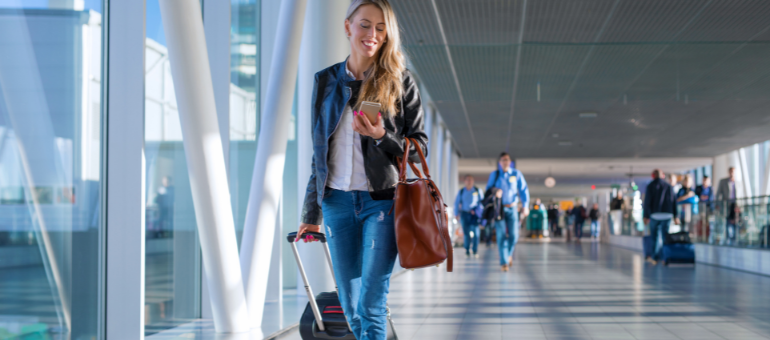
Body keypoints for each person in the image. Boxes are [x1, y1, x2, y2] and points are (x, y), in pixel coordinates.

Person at [295, 2, 428, 338]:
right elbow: (318, 153)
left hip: (381, 204)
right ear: (347, 27)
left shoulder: (401, 82)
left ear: (387, 36)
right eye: (365, 25)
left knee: (370, 303)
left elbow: (420, 150)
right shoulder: (325, 81)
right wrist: (311, 212)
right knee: (352, 306)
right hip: (336, 203)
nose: (372, 34)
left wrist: (382, 135)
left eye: (381, 28)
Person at [486, 152, 530, 272]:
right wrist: (495, 191)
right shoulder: (494, 175)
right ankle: (504, 262)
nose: (505, 162)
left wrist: (525, 206)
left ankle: (508, 254)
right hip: (499, 209)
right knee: (500, 235)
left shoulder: (516, 174)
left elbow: (523, 190)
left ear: (510, 162)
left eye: (507, 160)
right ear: (500, 162)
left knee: (514, 235)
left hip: (513, 208)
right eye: (503, 160)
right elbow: (488, 190)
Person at [643, 169, 679, 265]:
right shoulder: (668, 186)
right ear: (663, 175)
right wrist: (676, 216)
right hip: (667, 215)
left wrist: (646, 216)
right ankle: (665, 258)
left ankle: (654, 258)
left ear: (653, 175)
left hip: (654, 215)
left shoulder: (650, 186)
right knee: (665, 237)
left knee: (654, 237)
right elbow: (674, 201)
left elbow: (647, 202)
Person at [454, 175, 483, 258]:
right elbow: (456, 203)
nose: (469, 181)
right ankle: (467, 250)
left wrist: (479, 212)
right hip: (464, 214)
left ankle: (475, 250)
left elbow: (482, 203)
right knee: (466, 233)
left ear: (473, 181)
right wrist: (456, 214)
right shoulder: (462, 191)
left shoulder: (477, 190)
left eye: (471, 180)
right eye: (467, 180)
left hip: (474, 215)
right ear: (465, 181)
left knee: (476, 233)